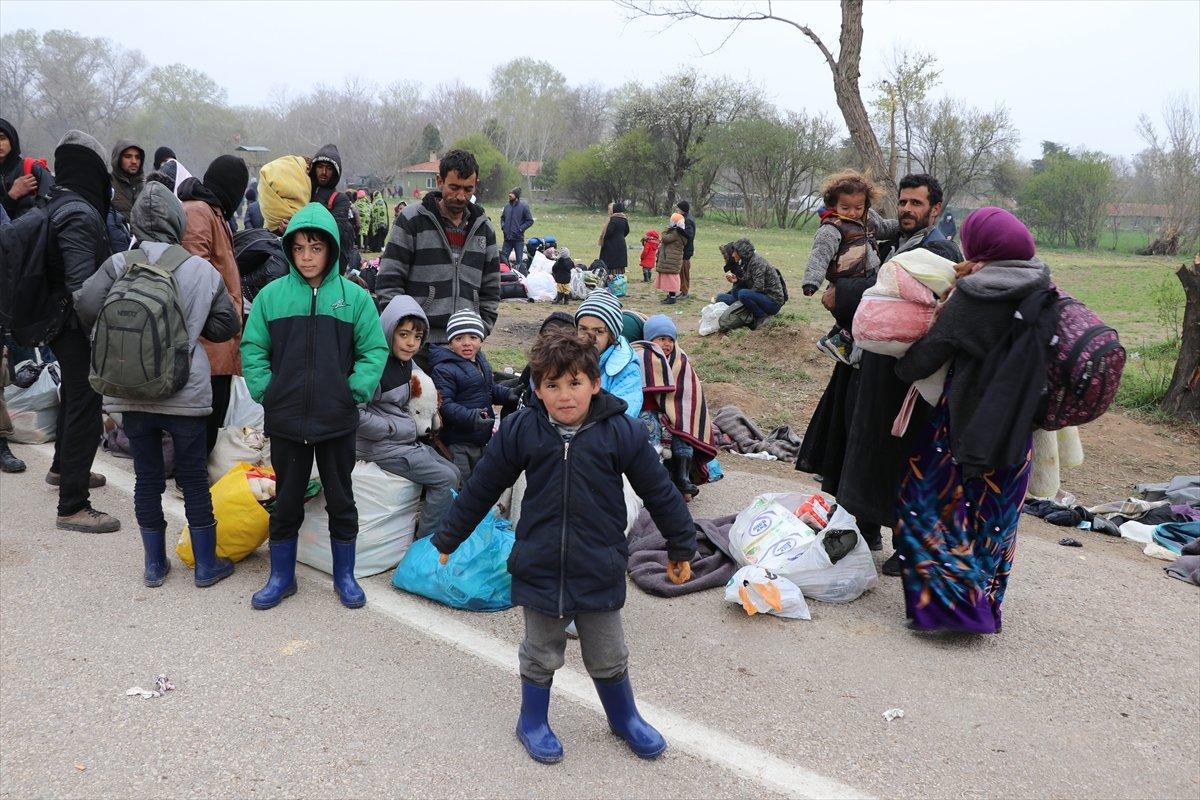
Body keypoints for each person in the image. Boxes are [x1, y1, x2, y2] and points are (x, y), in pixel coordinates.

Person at [431, 328, 696, 764]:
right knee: (540, 651)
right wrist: (448, 537)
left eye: (575, 383)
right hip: (540, 560)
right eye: (552, 385)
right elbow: (483, 485)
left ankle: (624, 717)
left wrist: (681, 546)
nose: (565, 395)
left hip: (599, 560)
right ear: (537, 388)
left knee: (608, 653)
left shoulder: (622, 432)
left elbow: (660, 491)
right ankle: (531, 721)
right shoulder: (521, 428)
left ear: (595, 383)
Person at [74, 182, 241, 588]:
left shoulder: (118, 264)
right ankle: (205, 567)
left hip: (131, 389)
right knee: (193, 477)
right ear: (177, 220)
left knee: (146, 477)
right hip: (185, 391)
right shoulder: (202, 270)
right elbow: (227, 326)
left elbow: (85, 305)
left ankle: (154, 565)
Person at [892, 208, 1049, 634]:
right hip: (1018, 424)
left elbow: (929, 354)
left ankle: (950, 611)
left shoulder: (976, 293)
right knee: (995, 515)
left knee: (927, 505)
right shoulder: (1042, 283)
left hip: (965, 421)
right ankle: (984, 607)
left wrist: (899, 364)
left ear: (981, 247)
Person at [796, 173, 962, 574]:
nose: (907, 209)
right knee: (859, 449)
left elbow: (900, 304)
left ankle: (908, 549)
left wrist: (842, 296)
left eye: (916, 204)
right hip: (865, 364)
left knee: (901, 461)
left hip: (905, 379)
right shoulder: (892, 240)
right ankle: (861, 530)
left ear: (935, 209)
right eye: (903, 202)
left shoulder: (938, 250)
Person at [240, 202, 388, 610]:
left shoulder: (354, 299)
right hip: (286, 421)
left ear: (332, 250)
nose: (307, 256)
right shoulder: (272, 297)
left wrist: (353, 391)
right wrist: (267, 390)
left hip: (337, 421)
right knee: (286, 501)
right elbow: (253, 347)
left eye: (316, 247)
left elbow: (373, 349)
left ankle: (345, 576)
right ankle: (281, 577)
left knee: (342, 498)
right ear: (289, 249)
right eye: (300, 247)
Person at [44, 131, 117, 532]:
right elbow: (81, 290)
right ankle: (73, 504)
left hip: (61, 322)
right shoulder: (78, 213)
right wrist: (99, 331)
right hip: (75, 326)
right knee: (85, 406)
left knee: (72, 397)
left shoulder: (59, 201)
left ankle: (63, 468)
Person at [357, 296, 460, 538]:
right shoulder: (373, 367)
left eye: (417, 337)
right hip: (378, 445)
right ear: (388, 330)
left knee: (454, 472)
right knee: (445, 479)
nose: (411, 343)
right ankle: (427, 544)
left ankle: (435, 533)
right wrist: (391, 429)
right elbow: (353, 414)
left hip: (401, 441)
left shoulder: (406, 364)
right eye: (403, 335)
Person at [375, 149, 500, 346]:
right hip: (419, 346)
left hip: (465, 348)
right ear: (440, 181)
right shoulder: (412, 220)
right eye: (454, 187)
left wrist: (480, 329)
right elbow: (389, 281)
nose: (460, 196)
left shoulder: (484, 228)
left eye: (468, 189)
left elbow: (491, 288)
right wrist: (406, 331)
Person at [179, 155, 251, 454]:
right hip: (209, 333)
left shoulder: (214, 211)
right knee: (204, 412)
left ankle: (195, 472)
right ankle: (190, 477)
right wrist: (225, 309)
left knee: (214, 409)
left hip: (218, 333)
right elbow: (196, 270)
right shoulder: (199, 211)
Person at [801, 170, 882, 365]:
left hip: (867, 276)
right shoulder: (832, 228)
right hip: (846, 280)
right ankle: (841, 343)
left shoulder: (868, 219)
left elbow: (886, 227)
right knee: (857, 313)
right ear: (834, 205)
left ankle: (834, 339)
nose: (852, 213)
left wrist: (903, 229)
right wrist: (811, 282)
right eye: (845, 207)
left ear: (866, 205)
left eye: (858, 207)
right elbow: (819, 255)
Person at [636, 314, 716, 501]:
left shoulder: (680, 360)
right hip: (648, 409)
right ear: (650, 339)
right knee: (650, 429)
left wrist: (676, 414)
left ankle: (683, 477)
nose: (666, 344)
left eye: (670, 339)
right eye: (661, 338)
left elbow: (689, 392)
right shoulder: (641, 355)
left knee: (684, 429)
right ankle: (653, 479)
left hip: (676, 411)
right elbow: (639, 389)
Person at [428, 309, 515, 480]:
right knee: (461, 481)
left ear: (481, 340)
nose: (467, 343)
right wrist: (471, 417)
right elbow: (445, 405)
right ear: (450, 342)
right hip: (458, 441)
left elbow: (488, 389)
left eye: (473, 338)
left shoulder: (481, 362)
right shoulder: (444, 368)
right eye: (459, 338)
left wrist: (508, 394)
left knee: (479, 480)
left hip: (481, 437)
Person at [574, 290, 641, 417]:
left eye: (598, 331)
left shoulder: (626, 370)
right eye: (583, 329)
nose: (589, 337)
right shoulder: (566, 358)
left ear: (612, 335)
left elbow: (624, 416)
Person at [715, 239, 786, 329]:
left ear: (741, 253)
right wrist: (737, 281)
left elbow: (758, 288)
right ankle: (747, 313)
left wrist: (743, 296)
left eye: (735, 252)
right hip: (761, 297)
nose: (732, 255)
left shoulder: (757, 262)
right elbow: (747, 283)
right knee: (721, 297)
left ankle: (762, 317)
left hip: (772, 301)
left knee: (743, 294)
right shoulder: (746, 262)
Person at [308, 144, 356, 273]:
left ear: (335, 172)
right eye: (319, 167)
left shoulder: (340, 199)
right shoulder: (303, 193)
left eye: (329, 168)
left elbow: (333, 231)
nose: (323, 172)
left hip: (329, 266)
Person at [0, 117, 52, 220]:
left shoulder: (32, 168)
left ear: (12, 140)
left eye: (2, 138)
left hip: (33, 234)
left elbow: (52, 205)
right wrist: (11, 196)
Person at [655, 213, 686, 305]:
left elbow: (665, 239)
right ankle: (670, 296)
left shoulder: (675, 233)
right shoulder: (678, 232)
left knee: (671, 279)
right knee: (670, 278)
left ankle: (672, 297)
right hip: (672, 259)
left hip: (671, 259)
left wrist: (665, 230)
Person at [109, 139, 145, 218]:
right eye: (128, 156)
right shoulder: (107, 185)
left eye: (137, 157)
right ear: (118, 159)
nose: (134, 161)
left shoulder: (147, 188)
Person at [500, 186, 533, 267]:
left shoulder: (524, 207)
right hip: (507, 239)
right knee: (502, 260)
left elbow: (530, 221)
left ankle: (519, 277)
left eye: (512, 193)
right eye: (510, 193)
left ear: (516, 196)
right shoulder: (507, 206)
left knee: (519, 263)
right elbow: (502, 218)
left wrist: (520, 229)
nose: (510, 195)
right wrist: (503, 227)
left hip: (518, 239)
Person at [598, 202, 630, 276]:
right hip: (621, 243)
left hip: (611, 244)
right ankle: (619, 277)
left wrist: (605, 238)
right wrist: (621, 236)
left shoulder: (613, 219)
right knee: (618, 263)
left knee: (611, 262)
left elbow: (609, 231)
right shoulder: (624, 219)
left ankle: (610, 277)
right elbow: (627, 230)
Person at [675, 200, 696, 299]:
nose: (676, 210)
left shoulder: (688, 220)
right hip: (684, 249)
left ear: (682, 210)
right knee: (682, 271)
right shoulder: (685, 218)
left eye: (678, 208)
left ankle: (685, 292)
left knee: (684, 271)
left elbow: (689, 235)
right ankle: (683, 291)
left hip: (686, 250)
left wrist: (679, 230)